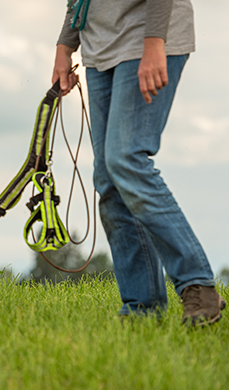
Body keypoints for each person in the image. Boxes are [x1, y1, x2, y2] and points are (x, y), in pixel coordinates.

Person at [52, 0, 225, 325]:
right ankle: (141, 307)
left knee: (125, 159)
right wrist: (66, 42)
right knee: (108, 178)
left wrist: (154, 43)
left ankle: (198, 286)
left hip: (147, 39)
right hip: (101, 45)